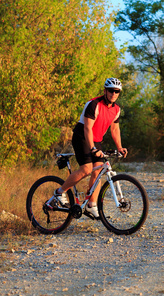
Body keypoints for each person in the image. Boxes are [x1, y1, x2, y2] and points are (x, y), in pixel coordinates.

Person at [46, 77, 128, 219]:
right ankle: (59, 193)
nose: (113, 94)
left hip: (96, 140)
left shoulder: (116, 109)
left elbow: (115, 130)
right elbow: (88, 128)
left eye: (117, 91)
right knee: (87, 169)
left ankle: (91, 205)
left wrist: (120, 147)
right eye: (111, 91)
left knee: (99, 171)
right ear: (105, 91)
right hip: (82, 136)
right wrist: (92, 148)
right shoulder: (93, 104)